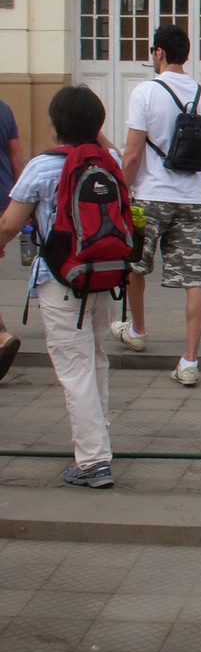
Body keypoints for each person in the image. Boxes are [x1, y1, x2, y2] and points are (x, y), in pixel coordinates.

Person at [0, 86, 117, 487]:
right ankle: (100, 443)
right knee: (96, 359)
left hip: (60, 280)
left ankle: (93, 462)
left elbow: (9, 225)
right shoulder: (110, 159)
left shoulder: (41, 167)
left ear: (55, 126)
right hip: (103, 275)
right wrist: (95, 134)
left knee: (75, 369)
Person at [113, 23, 201, 387]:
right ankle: (189, 361)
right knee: (193, 279)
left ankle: (137, 329)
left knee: (135, 265)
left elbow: (133, 153)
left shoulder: (146, 92)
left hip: (150, 197)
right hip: (192, 198)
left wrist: (123, 190)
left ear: (158, 52)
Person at [0, 96, 25, 381]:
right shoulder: (4, 108)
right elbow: (17, 159)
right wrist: (22, 206)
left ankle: (2, 335)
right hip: (4, 202)